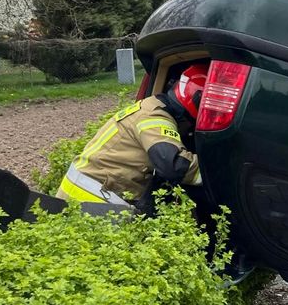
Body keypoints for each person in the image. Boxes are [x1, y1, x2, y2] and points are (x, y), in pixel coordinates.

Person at [58, 63, 207, 208]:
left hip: (86, 193)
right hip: (88, 198)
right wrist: (217, 169)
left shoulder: (151, 107)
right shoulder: (155, 117)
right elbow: (173, 165)